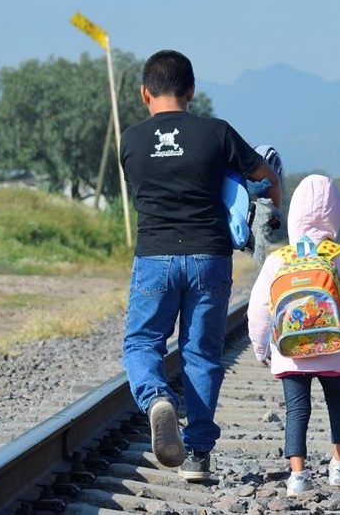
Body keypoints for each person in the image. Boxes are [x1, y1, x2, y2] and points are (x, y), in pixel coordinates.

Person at [120, 49, 281, 482]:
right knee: (201, 354)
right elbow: (265, 176)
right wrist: (269, 214)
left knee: (141, 344)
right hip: (209, 256)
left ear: (144, 93)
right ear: (191, 91)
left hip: (154, 256)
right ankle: (198, 456)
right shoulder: (216, 132)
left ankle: (156, 400)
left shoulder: (131, 140)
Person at [248, 174, 340, 497]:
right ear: (335, 215)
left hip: (291, 351)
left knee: (297, 410)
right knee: (338, 403)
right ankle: (339, 465)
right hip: (334, 349)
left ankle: (298, 475)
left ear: (294, 214)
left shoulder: (279, 259)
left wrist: (261, 348)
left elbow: (259, 308)